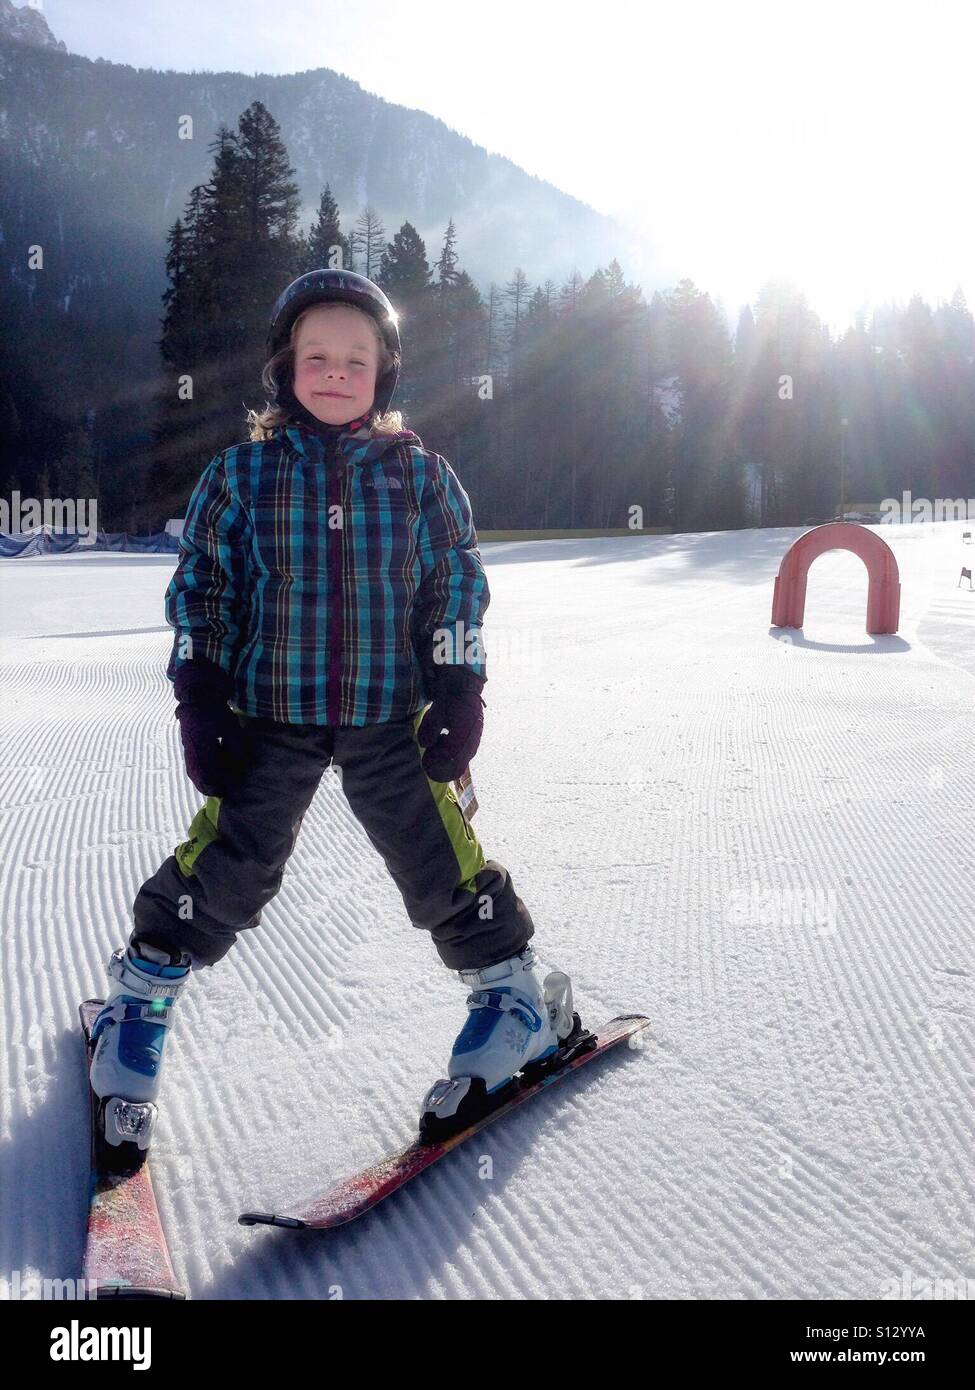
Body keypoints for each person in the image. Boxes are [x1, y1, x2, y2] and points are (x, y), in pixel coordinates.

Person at [88, 269, 581, 1160]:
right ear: (285, 368)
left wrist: (460, 688)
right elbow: (202, 588)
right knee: (231, 864)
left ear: (383, 374)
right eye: (316, 356)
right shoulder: (240, 475)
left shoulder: (421, 476)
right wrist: (200, 695)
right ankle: (139, 997)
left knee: (437, 861)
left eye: (356, 359)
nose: (335, 372)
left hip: (394, 720)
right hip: (267, 715)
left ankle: (514, 998)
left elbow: (455, 587)